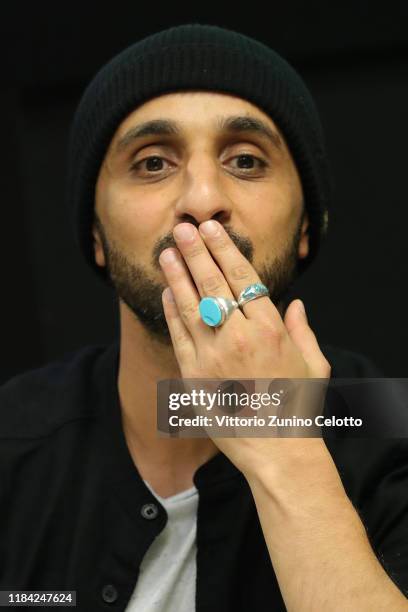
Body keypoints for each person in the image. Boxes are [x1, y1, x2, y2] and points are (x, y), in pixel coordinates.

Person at [0, 23, 407, 612]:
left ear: (304, 229)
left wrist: (280, 435)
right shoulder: (15, 443)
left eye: (245, 160)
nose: (199, 199)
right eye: (151, 163)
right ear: (94, 235)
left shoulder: (388, 434)